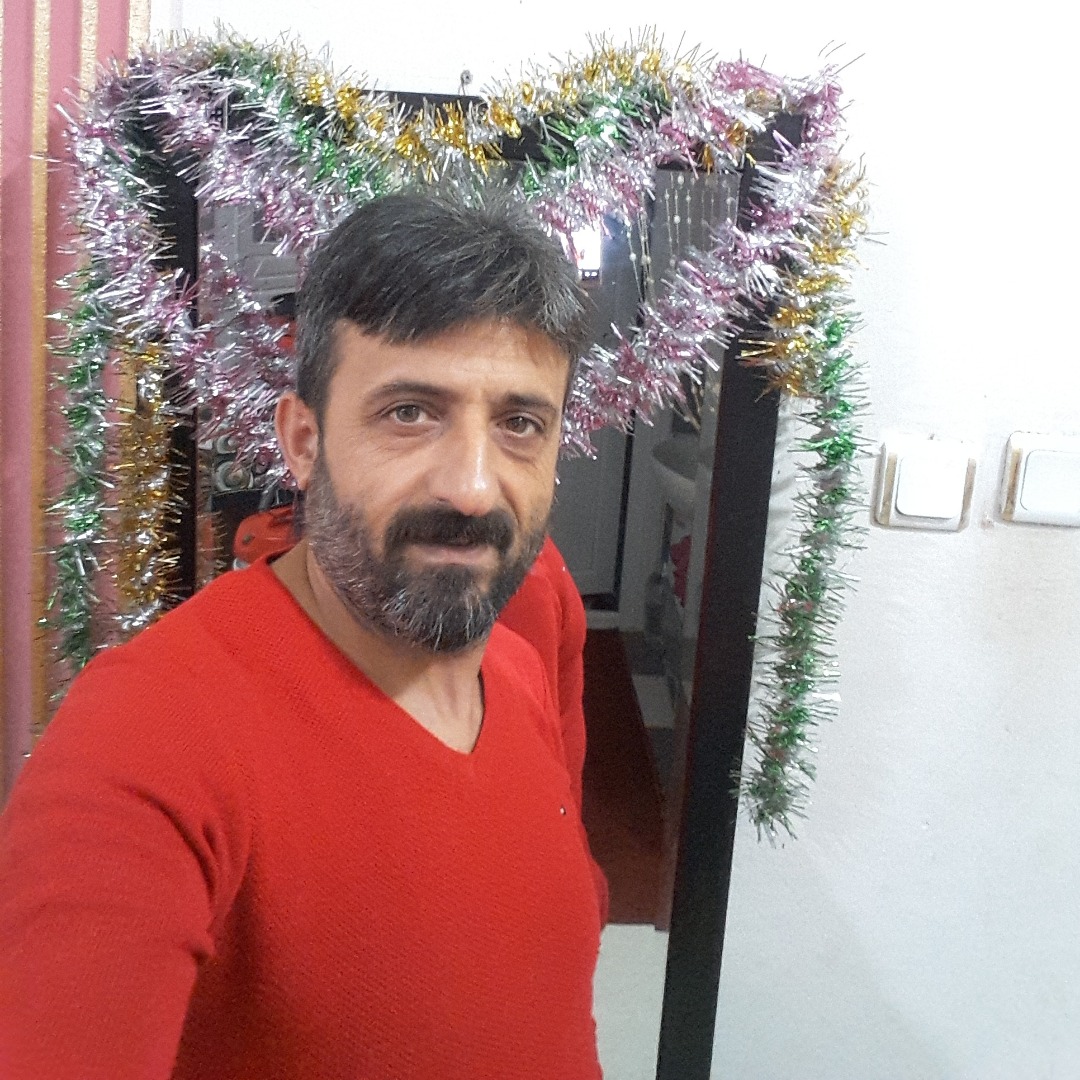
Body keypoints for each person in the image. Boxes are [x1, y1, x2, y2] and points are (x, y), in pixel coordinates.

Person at [0, 192, 607, 1080]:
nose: (473, 487)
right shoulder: (147, 735)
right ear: (304, 442)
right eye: (410, 412)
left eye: (520, 423)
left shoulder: (518, 664)